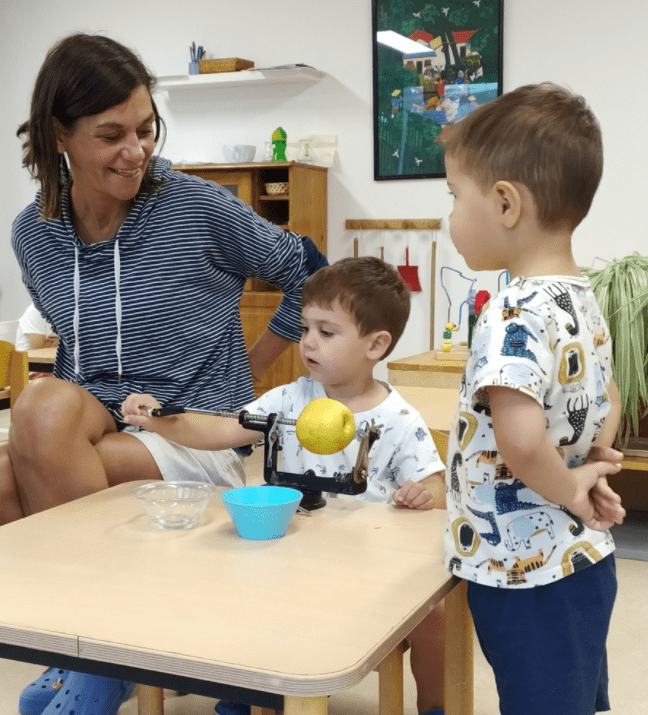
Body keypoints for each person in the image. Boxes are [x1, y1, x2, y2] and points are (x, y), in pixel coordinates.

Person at [8, 33, 326, 715]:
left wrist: (256, 364)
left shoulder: (194, 207)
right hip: (98, 419)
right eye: (111, 134)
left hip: (194, 429)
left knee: (29, 441)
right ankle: (88, 647)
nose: (137, 150)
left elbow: (311, 270)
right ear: (59, 136)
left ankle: (100, 659)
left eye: (146, 129)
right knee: (34, 415)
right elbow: (70, 344)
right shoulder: (33, 233)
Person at [123, 257, 447, 715]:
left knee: (434, 618)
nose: (308, 342)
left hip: (367, 568)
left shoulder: (398, 419)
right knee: (231, 583)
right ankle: (247, 691)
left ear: (376, 345)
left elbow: (435, 488)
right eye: (305, 328)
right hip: (289, 558)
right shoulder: (289, 399)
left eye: (327, 332)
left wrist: (422, 496)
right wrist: (161, 422)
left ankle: (437, 706)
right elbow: (220, 431)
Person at [442, 82, 626, 715]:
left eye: (453, 197)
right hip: (582, 562)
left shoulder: (511, 311)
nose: (449, 218)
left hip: (527, 572)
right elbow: (611, 397)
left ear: (505, 203)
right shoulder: (582, 296)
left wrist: (572, 486)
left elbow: (520, 441)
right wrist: (589, 462)